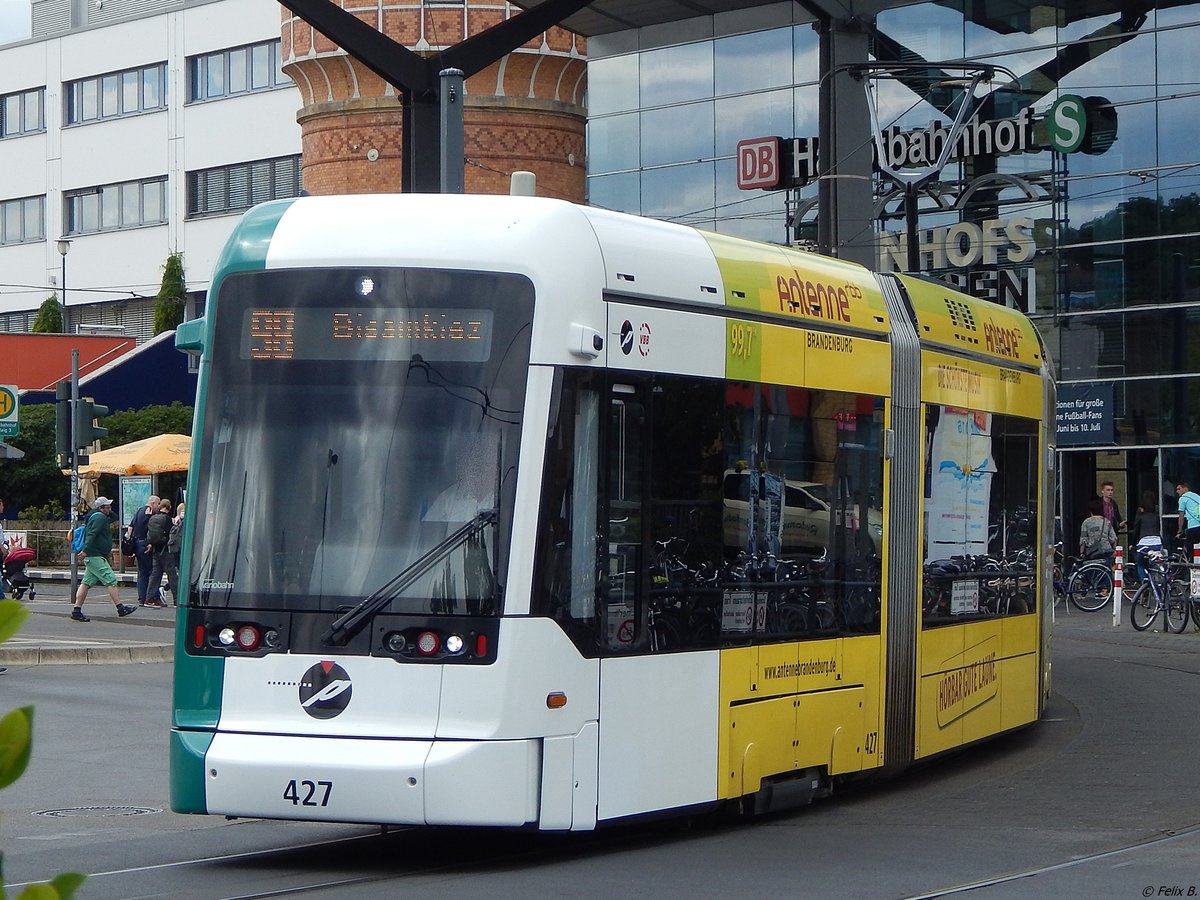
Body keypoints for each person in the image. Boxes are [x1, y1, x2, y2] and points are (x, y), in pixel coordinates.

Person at [72, 497, 137, 622]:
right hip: (94, 555)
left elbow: (114, 517)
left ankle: (76, 610)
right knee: (111, 580)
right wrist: (85, 550)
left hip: (94, 555)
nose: (110, 509)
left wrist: (105, 508)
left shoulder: (98, 517)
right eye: (107, 507)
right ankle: (120, 608)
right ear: (101, 508)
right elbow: (92, 534)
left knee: (86, 583)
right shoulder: (100, 518)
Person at [125, 495, 160, 605]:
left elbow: (130, 528)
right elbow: (150, 529)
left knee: (142, 572)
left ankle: (141, 598)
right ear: (153, 503)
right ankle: (151, 598)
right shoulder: (149, 512)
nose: (158, 506)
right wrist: (150, 542)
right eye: (158, 504)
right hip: (146, 544)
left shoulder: (139, 511)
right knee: (152, 571)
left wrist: (130, 543)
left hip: (137, 543)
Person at [145, 499, 173, 607]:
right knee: (172, 576)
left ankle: (149, 599)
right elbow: (171, 534)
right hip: (166, 550)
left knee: (155, 576)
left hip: (156, 550)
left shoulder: (153, 518)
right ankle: (176, 600)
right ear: (169, 507)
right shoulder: (167, 519)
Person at [166, 502, 185, 606]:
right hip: (180, 549)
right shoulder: (181, 521)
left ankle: (165, 588)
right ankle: (167, 589)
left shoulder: (175, 520)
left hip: (175, 549)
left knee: (180, 572)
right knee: (182, 573)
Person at [1175, 481, 1200, 559]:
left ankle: (1194, 568)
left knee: (1190, 549)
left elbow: (1181, 516)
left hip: (1193, 526)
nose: (1177, 491)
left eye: (1179, 489)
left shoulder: (1183, 498)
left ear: (1185, 488)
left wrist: (1179, 531)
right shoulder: (1196, 496)